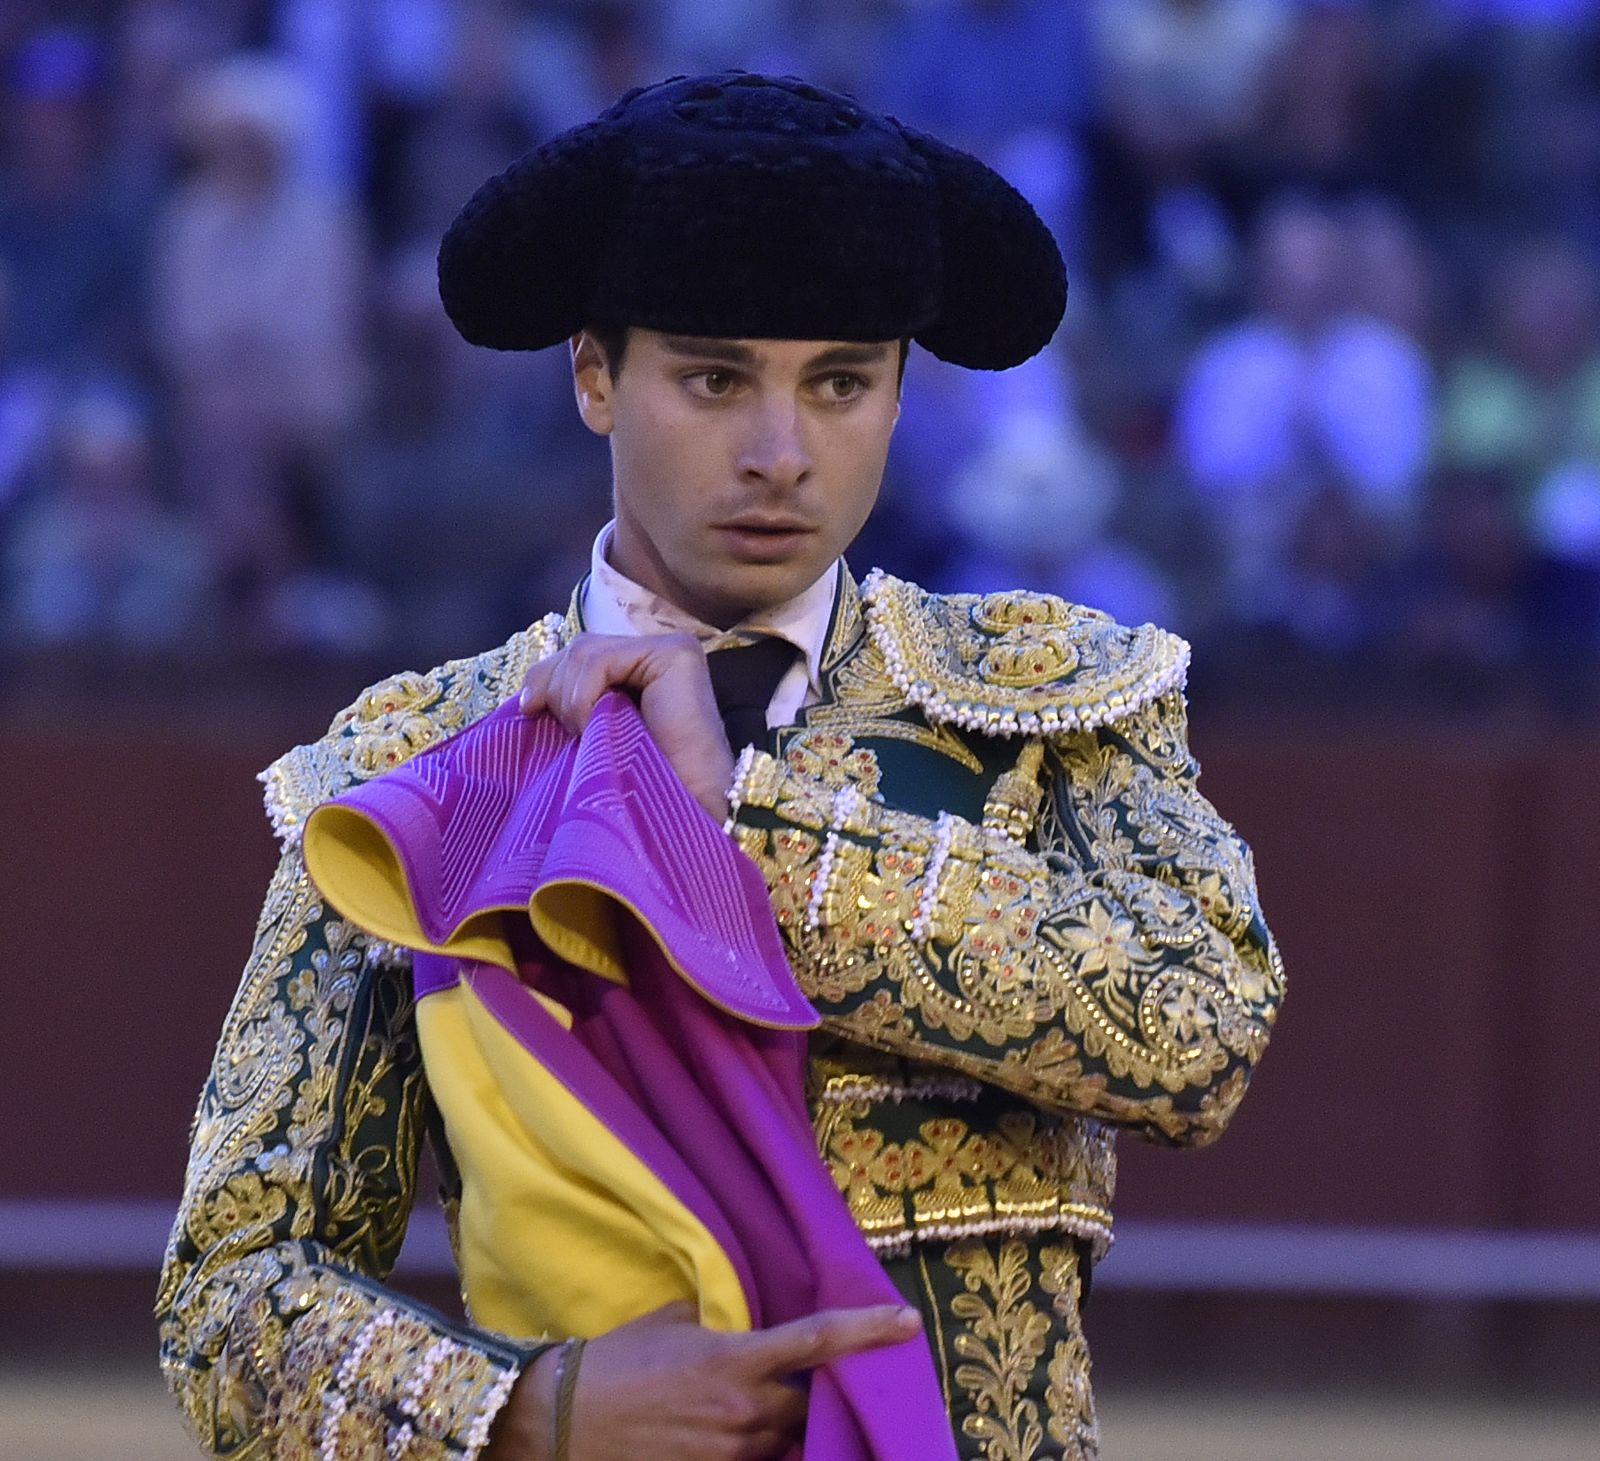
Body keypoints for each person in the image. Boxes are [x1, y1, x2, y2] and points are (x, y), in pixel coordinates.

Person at [158, 71, 1284, 1461]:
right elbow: (231, 1289)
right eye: (712, 377)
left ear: (896, 392)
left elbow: (1199, 1031)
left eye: (840, 384)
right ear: (592, 374)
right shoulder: (418, 772)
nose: (779, 453)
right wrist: (530, 1412)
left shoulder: (1048, 700)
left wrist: (727, 829)